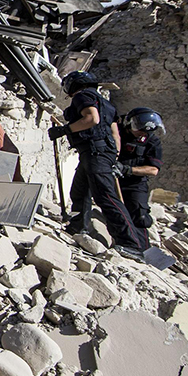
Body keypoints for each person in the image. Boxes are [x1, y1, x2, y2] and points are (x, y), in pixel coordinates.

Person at [48, 71, 147, 253]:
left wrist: (64, 130)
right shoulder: (107, 104)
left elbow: (92, 119)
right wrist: (113, 157)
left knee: (106, 197)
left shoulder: (83, 96)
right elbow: (115, 134)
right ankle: (77, 227)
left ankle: (131, 243)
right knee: (79, 191)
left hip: (95, 152)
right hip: (97, 153)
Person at [115, 107, 165, 241]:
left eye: (146, 132)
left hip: (134, 183)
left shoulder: (152, 142)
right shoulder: (116, 130)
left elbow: (153, 170)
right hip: (111, 177)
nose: (142, 134)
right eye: (140, 130)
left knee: (140, 217)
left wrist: (128, 170)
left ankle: (140, 247)